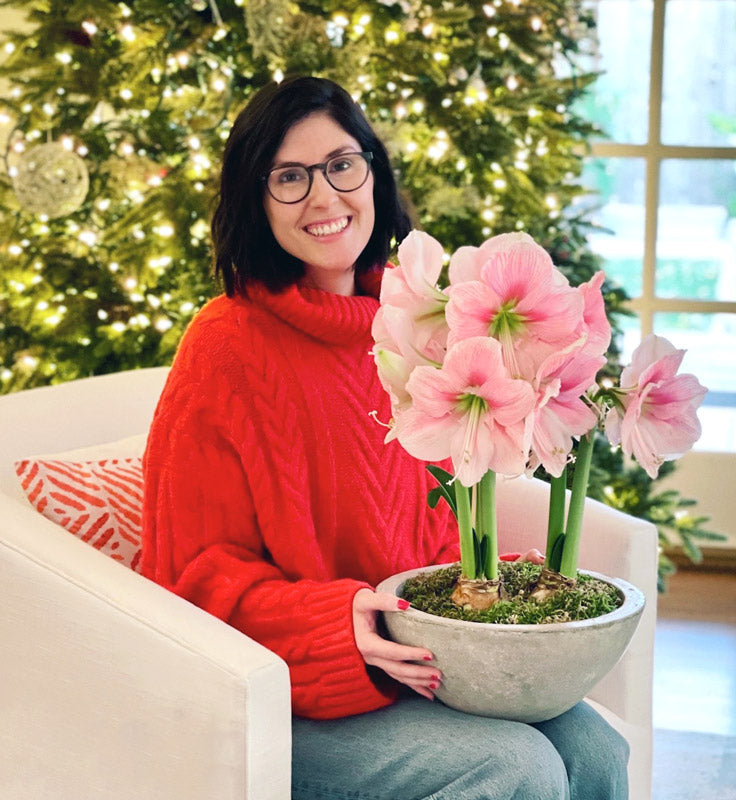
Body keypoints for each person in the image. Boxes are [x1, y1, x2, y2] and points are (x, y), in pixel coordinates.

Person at [141, 75, 629, 800]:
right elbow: (190, 578)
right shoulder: (225, 345)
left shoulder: (418, 321)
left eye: (342, 164)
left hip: (423, 663)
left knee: (594, 749)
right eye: (289, 177)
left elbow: (434, 523)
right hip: (285, 696)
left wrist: (485, 593)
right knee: (515, 769)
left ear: (373, 168)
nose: (324, 196)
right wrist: (337, 623)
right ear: (254, 196)